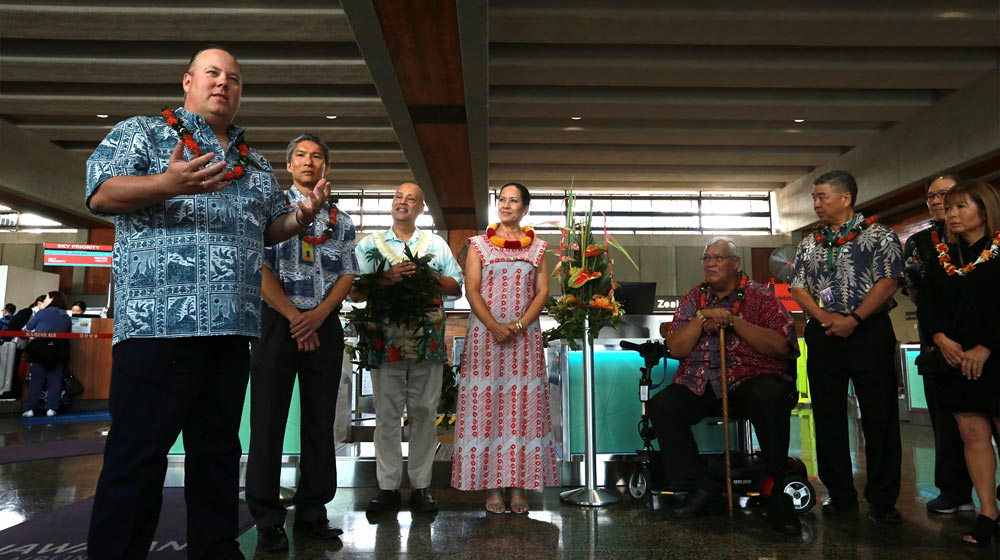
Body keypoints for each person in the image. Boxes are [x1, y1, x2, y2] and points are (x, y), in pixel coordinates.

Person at [84, 46, 328, 560]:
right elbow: (101, 194)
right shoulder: (144, 133)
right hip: (158, 326)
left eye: (234, 78)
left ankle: (217, 551)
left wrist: (302, 217)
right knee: (138, 456)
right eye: (212, 74)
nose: (223, 84)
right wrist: (166, 183)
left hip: (232, 328)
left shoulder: (254, 162)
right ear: (188, 82)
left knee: (217, 454)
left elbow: (267, 229)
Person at [246, 134, 357, 552]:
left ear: (325, 168)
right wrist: (295, 318)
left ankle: (313, 512)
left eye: (317, 157)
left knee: (319, 421)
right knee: (268, 421)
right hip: (278, 323)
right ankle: (267, 518)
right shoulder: (270, 212)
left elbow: (348, 272)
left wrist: (318, 316)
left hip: (324, 323)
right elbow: (259, 269)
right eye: (301, 156)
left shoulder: (341, 219)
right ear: (288, 164)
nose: (309, 162)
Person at [648, 237, 801, 534]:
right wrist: (701, 318)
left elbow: (782, 345)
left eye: (719, 257)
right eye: (706, 258)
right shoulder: (694, 298)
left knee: (770, 396)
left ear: (735, 263)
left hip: (750, 377)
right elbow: (677, 348)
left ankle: (775, 490)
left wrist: (733, 321)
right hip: (702, 381)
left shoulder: (760, 296)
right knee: (663, 405)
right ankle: (700, 487)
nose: (711, 263)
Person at [789, 170, 904, 524]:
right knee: (827, 417)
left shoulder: (879, 234)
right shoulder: (810, 242)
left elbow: (889, 280)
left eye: (822, 196)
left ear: (845, 198)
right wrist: (825, 318)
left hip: (868, 331)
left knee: (879, 416)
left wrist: (853, 318)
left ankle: (883, 499)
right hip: (823, 335)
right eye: (814, 197)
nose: (816, 203)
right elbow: (798, 287)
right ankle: (839, 494)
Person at [351, 182, 463, 517]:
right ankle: (386, 489)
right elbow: (355, 292)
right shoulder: (370, 244)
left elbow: (455, 287)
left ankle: (421, 487)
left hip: (426, 338)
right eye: (398, 197)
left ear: (420, 208)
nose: (403, 202)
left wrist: (427, 274)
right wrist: (389, 277)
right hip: (384, 337)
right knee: (386, 414)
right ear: (392, 204)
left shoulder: (435, 244)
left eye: (411, 198)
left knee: (425, 414)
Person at [450, 182, 558, 514]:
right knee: (489, 411)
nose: (506, 205)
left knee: (522, 411)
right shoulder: (478, 245)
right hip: (485, 339)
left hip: (523, 340)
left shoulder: (537, 248)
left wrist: (520, 325)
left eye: (513, 201)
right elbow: (471, 289)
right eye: (502, 200)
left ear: (525, 209)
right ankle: (492, 489)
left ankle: (519, 490)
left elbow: (542, 292)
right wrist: (495, 326)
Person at [916, 180, 1000, 545]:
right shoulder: (942, 258)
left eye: (960, 207)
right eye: (948, 208)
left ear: (984, 210)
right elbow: (927, 305)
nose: (951, 214)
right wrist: (940, 339)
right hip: (954, 357)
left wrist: (986, 346)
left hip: (995, 357)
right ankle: (987, 515)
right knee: (971, 434)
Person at [902, 173, 977, 515]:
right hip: (937, 342)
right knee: (946, 424)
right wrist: (940, 336)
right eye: (930, 197)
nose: (936, 202)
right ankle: (954, 491)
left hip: (986, 343)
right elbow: (917, 294)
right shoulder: (919, 242)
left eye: (944, 195)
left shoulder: (989, 240)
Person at [20, 291, 72, 418]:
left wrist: (41, 311)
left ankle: (30, 408)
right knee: (55, 380)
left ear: (52, 299)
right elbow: (68, 332)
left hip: (41, 348)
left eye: (47, 298)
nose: (44, 301)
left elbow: (30, 326)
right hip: (59, 349)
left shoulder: (42, 312)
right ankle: (51, 408)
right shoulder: (66, 316)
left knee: (36, 380)